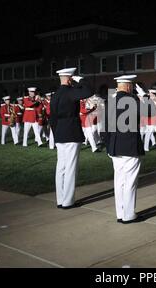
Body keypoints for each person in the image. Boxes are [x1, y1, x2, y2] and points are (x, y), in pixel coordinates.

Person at [103, 75, 145, 223]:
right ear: (128, 86)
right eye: (132, 85)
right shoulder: (132, 99)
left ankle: (120, 213)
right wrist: (144, 95)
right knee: (130, 182)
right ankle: (129, 215)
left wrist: (108, 146)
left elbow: (105, 128)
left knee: (119, 181)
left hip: (115, 146)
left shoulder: (110, 100)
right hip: (130, 146)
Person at [50, 68, 92, 209]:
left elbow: (53, 118)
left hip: (60, 132)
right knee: (70, 168)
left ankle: (60, 199)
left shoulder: (55, 94)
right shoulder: (70, 92)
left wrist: (56, 134)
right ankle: (68, 201)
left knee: (60, 167)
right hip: (72, 132)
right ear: (69, 78)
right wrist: (81, 80)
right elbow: (89, 91)